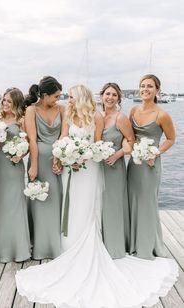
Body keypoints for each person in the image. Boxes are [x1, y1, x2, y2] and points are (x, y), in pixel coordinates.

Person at [16, 85, 178, 308]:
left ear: (81, 98)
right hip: (71, 169)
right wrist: (61, 157)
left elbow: (97, 143)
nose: (69, 100)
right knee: (70, 205)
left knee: (87, 205)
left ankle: (90, 242)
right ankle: (69, 245)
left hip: (90, 169)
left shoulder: (97, 117)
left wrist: (84, 155)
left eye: (72, 97)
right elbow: (63, 139)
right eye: (68, 97)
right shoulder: (68, 115)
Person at [127, 74, 176, 260]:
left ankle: (147, 245)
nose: (145, 89)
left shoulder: (162, 114)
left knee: (147, 203)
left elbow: (171, 139)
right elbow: (130, 137)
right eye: (142, 86)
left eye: (149, 86)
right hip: (134, 164)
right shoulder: (133, 110)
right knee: (132, 199)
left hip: (150, 165)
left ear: (157, 90)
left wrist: (156, 153)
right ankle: (132, 242)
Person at [24, 76, 63, 260]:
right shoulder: (31, 110)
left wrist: (60, 159)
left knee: (55, 200)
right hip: (38, 160)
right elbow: (32, 139)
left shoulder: (62, 109)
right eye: (55, 96)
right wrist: (33, 165)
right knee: (39, 201)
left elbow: (64, 136)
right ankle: (38, 244)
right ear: (45, 95)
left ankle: (55, 244)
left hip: (56, 161)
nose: (58, 99)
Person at [0, 87, 31, 263]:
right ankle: (0, 247)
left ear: (16, 103)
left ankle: (19, 247)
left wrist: (20, 154)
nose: (5, 103)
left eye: (9, 101)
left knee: (15, 205)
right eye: (4, 100)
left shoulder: (21, 120)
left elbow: (29, 143)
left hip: (13, 166)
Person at [100, 83, 135, 259]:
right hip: (98, 167)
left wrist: (118, 154)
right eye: (107, 94)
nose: (110, 97)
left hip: (114, 167)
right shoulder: (97, 116)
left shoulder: (121, 118)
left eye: (114, 95)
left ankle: (114, 246)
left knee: (113, 204)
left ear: (119, 99)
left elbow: (131, 141)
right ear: (102, 96)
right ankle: (99, 244)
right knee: (99, 204)